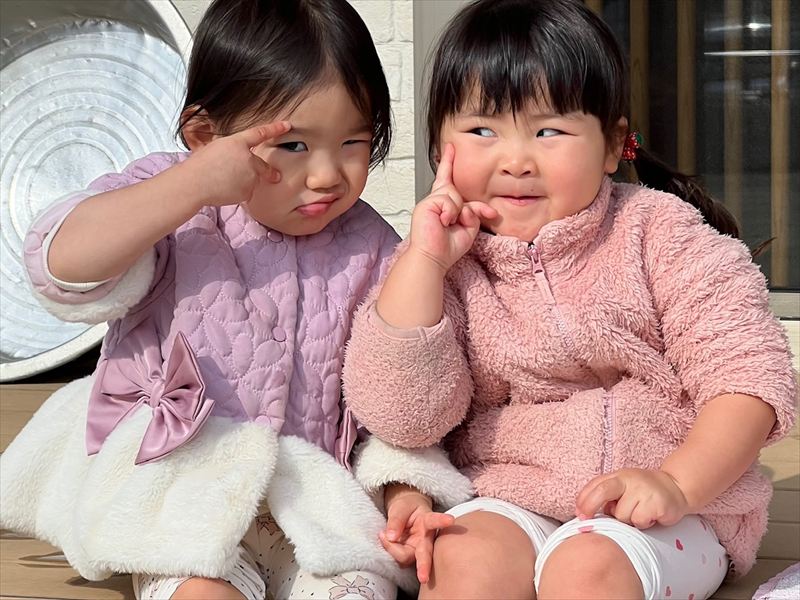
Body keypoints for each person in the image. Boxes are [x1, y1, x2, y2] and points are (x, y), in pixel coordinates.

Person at [0, 1, 472, 598]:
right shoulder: (177, 210)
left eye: (353, 140)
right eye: (294, 145)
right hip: (180, 498)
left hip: (315, 507)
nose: (328, 175)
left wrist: (403, 489)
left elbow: (389, 394)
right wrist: (192, 183)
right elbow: (62, 266)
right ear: (206, 136)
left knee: (354, 590)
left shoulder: (372, 247)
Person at [342, 1, 798, 598]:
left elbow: (748, 380)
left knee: (586, 568)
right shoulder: (441, 263)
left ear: (612, 144)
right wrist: (424, 264)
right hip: (510, 491)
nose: (516, 161)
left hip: (670, 507)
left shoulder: (661, 233)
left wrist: (677, 483)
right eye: (482, 130)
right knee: (460, 561)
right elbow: (403, 416)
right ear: (437, 149)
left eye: (549, 130)